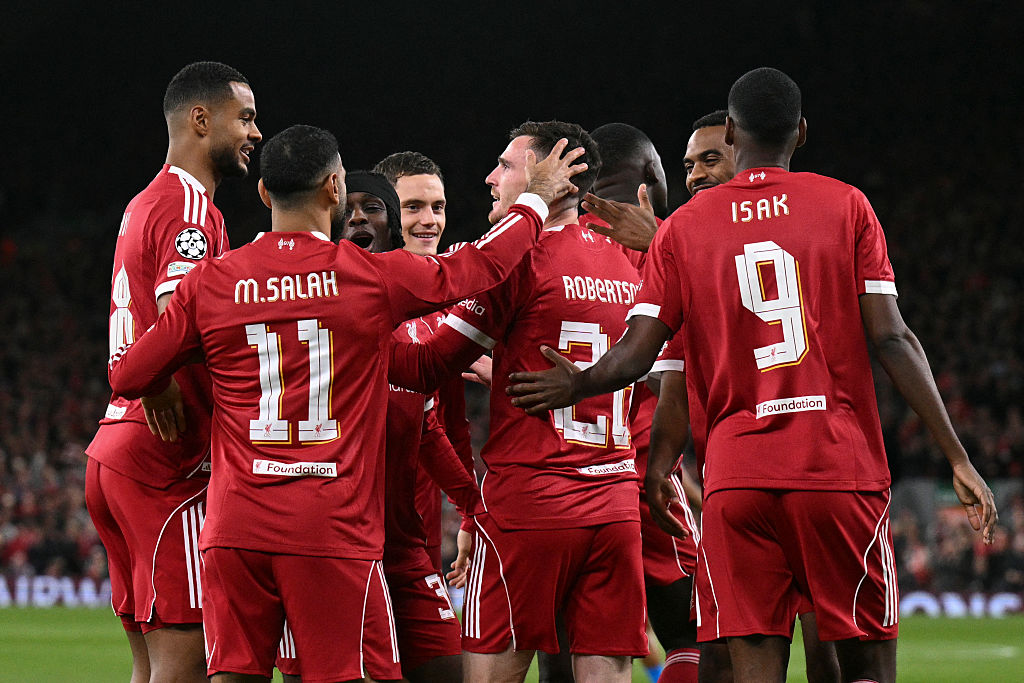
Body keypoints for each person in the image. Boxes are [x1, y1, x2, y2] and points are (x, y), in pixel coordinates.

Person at [505, 68, 997, 683]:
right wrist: (956, 456)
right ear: (802, 132)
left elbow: (640, 357)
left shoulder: (685, 228)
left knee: (745, 664)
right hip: (834, 470)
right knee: (862, 661)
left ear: (732, 134)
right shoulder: (847, 206)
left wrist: (577, 383)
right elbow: (893, 339)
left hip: (736, 480)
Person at [107, 124, 586, 682]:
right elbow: (476, 269)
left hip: (234, 527)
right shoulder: (367, 277)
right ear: (335, 188)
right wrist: (533, 201)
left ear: (264, 194)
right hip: (329, 527)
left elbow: (128, 372)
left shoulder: (212, 282)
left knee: (233, 675)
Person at [390, 120, 648, 683]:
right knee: (606, 673)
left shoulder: (518, 261)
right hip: (615, 506)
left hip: (528, 509)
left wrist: (340, 329)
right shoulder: (626, 262)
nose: (490, 178)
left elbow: (423, 365)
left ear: (548, 173)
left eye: (505, 166)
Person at [84, 60, 261, 683]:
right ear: (201, 119)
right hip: (164, 460)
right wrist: (153, 379)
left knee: (149, 665)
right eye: (244, 117)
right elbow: (178, 317)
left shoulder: (145, 202)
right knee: (183, 663)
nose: (254, 133)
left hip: (116, 450)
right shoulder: (189, 207)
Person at [534, 121, 699, 683]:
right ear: (651, 180)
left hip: (558, 473)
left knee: (564, 638)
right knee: (695, 636)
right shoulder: (668, 248)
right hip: (638, 458)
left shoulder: (544, 251)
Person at [375, 151, 475, 574]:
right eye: (413, 207)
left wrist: (469, 513)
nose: (429, 221)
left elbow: (452, 425)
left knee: (434, 642)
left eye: (438, 207)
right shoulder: (357, 294)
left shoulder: (446, 309)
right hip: (354, 512)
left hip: (422, 517)